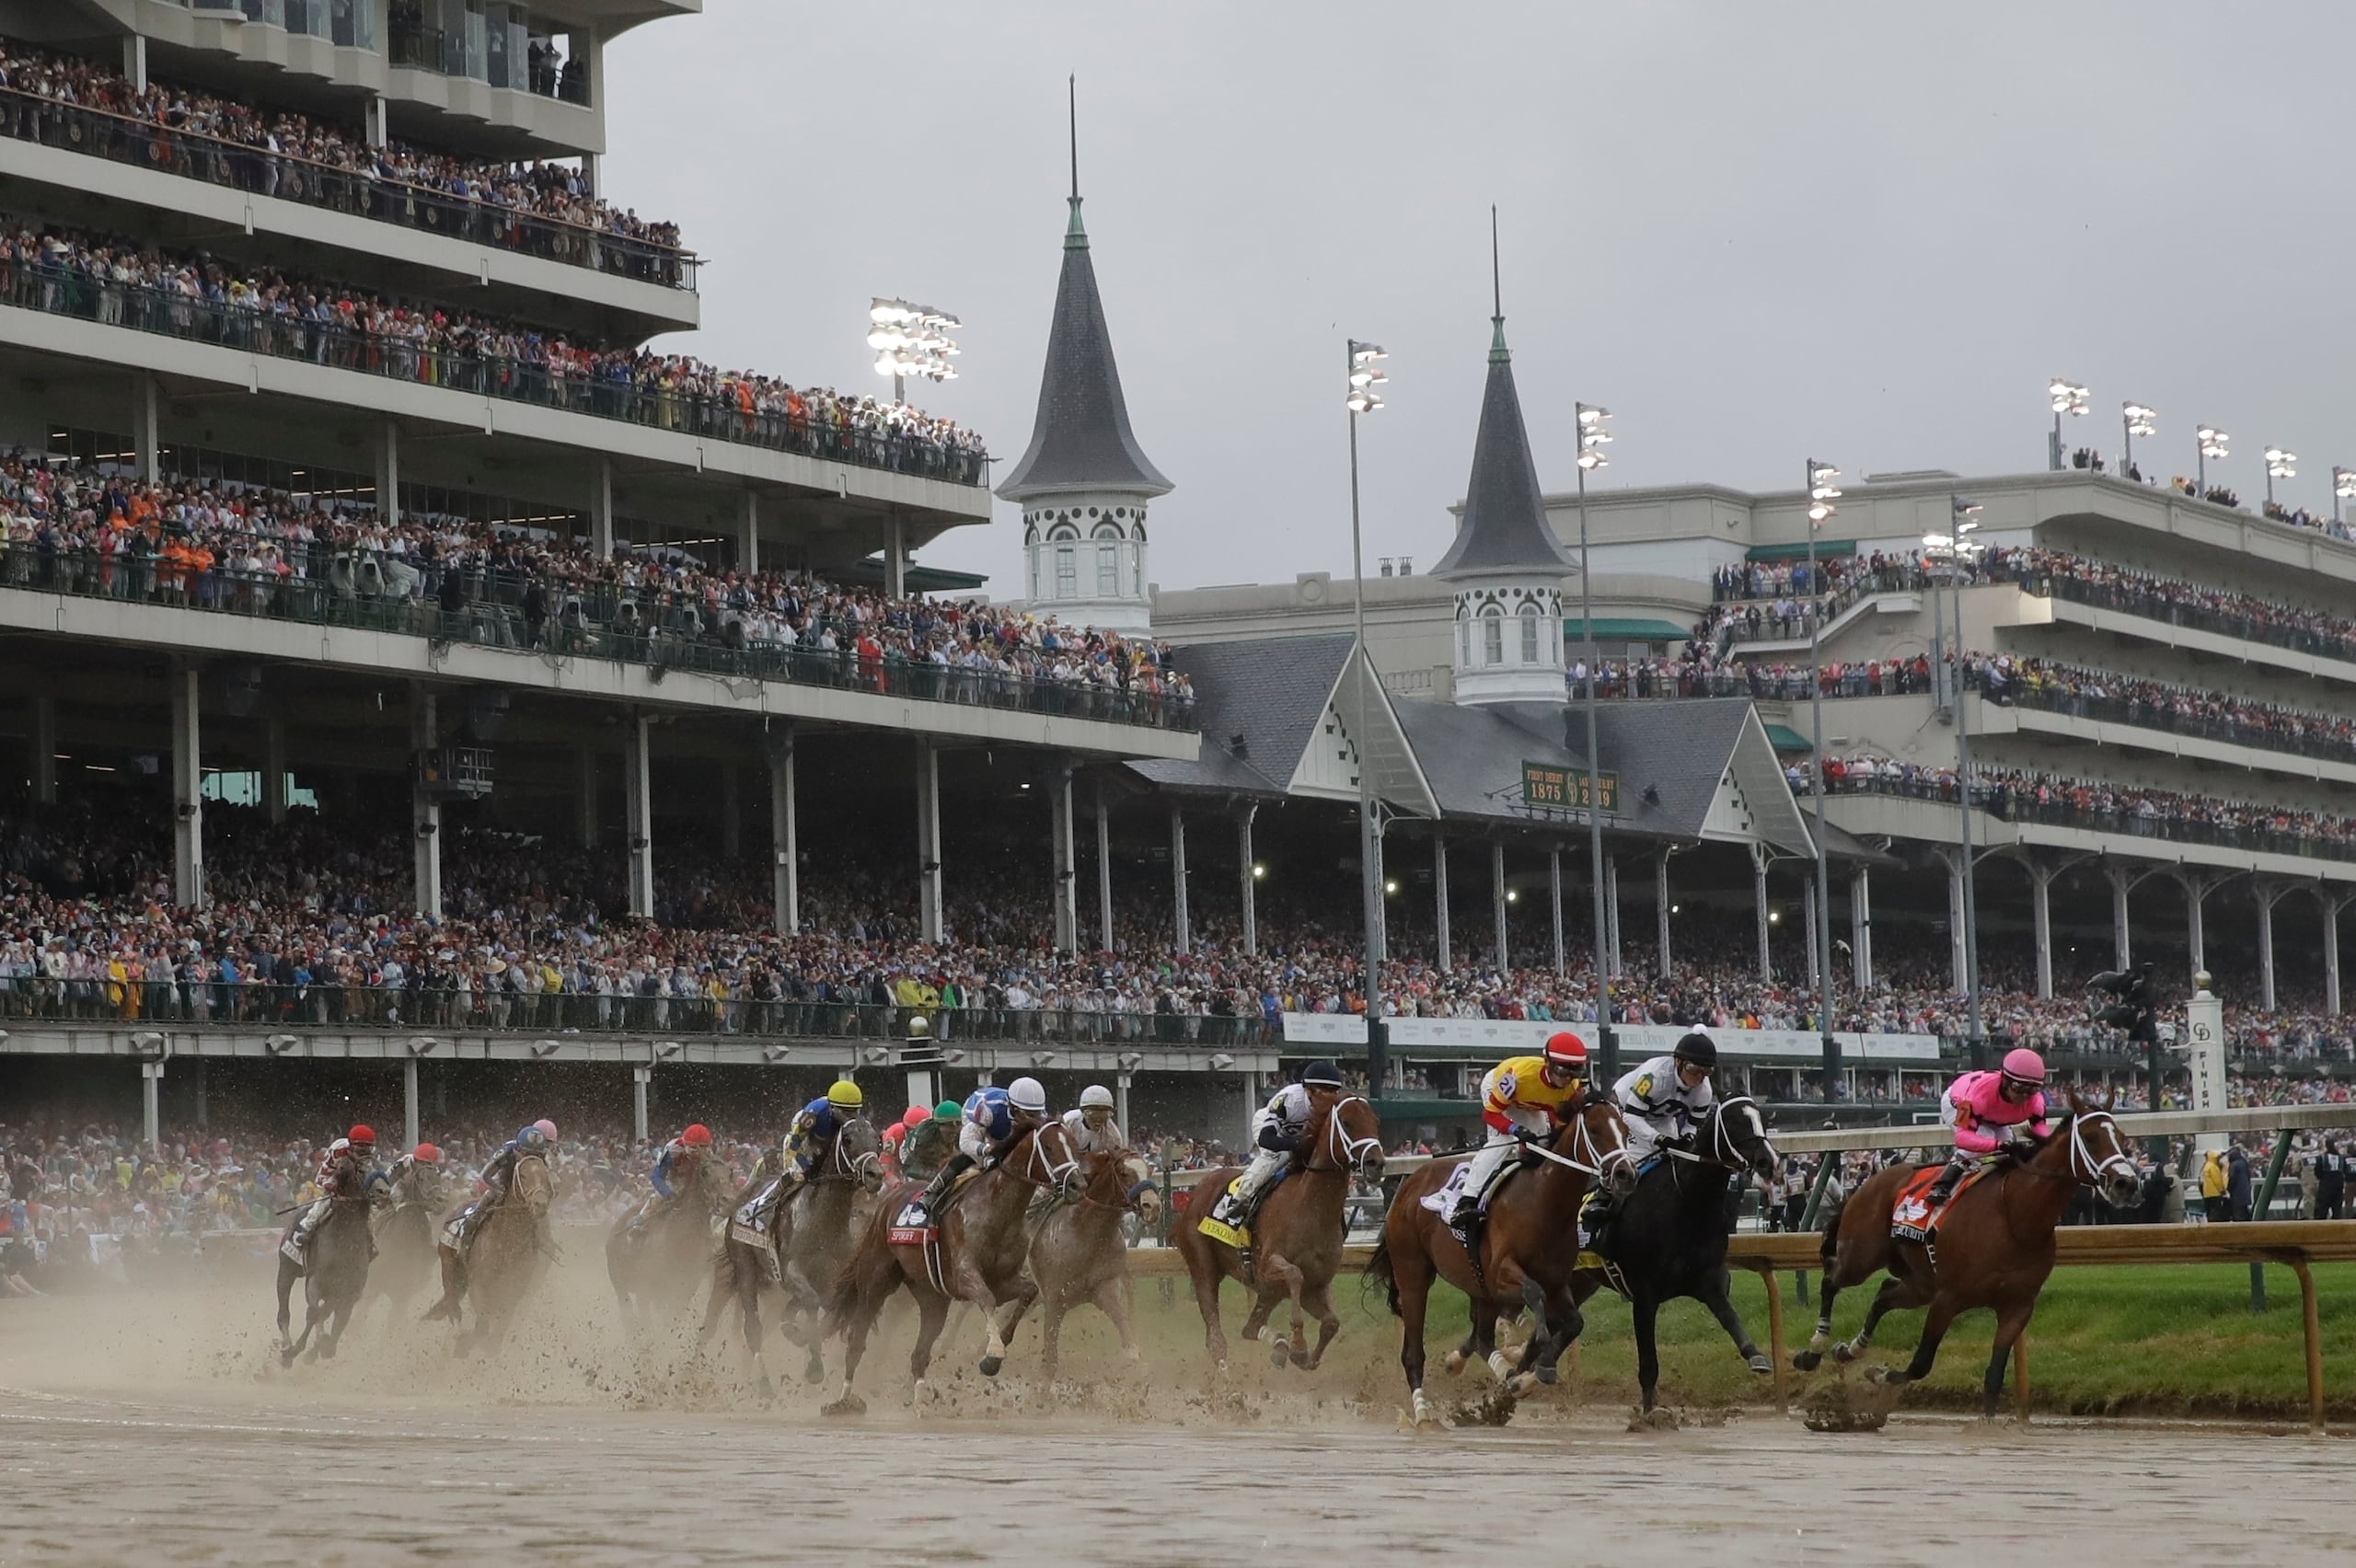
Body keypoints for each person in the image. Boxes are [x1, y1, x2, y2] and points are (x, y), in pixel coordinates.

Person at [1449, 1033, 1588, 1229]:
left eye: (1574, 1073)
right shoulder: (1518, 1076)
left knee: (1541, 1146)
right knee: (1502, 1142)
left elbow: (1561, 1123)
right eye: (1563, 1071)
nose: (1567, 1079)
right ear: (1547, 1062)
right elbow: (1490, 1114)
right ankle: (1466, 1201)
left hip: (1529, 1103)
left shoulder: (1572, 1088)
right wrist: (1516, 1130)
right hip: (1500, 1092)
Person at [1923, 1047, 2050, 1206]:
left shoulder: (2037, 1102)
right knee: (1987, 1139)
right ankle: (1941, 1186)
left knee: (2010, 1151)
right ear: (2005, 1080)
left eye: (2032, 1089)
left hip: (1994, 1116)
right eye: (2019, 1087)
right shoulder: (1975, 1097)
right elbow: (1962, 1138)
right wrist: (1997, 1145)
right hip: (1958, 1104)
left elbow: (2041, 1132)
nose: (2025, 1096)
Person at [1228, 1060, 1345, 1227]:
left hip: (1298, 1136)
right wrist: (1298, 1144)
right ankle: (1240, 1199)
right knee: (1275, 1156)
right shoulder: (1289, 1100)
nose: (1332, 1097)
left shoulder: (1334, 1108)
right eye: (1326, 1091)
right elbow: (1266, 1139)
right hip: (1269, 1127)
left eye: (1334, 1091)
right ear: (1309, 1091)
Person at [914, 1076, 1049, 1214]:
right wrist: (988, 1149)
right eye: (1027, 1114)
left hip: (1003, 1127)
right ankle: (931, 1194)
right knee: (982, 1160)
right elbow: (965, 1142)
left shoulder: (1041, 1116)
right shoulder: (988, 1109)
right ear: (1013, 1108)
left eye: (1035, 1114)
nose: (1031, 1120)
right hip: (977, 1119)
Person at [1613, 1030, 1719, 1162]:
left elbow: (1692, 1126)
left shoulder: (1705, 1092)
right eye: (1692, 1068)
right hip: (1624, 1110)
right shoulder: (1654, 1076)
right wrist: (1657, 1137)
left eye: (1707, 1071)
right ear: (1678, 1062)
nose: (1699, 1076)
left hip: (1662, 1118)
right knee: (1637, 1161)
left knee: (1674, 1161)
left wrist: (1687, 1138)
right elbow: (1631, 1116)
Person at [282, 1124, 378, 1263]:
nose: (363, 1151)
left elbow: (367, 1173)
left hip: (356, 1184)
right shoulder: (338, 1150)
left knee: (369, 1212)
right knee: (323, 1203)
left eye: (367, 1147)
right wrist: (330, 1186)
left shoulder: (370, 1154)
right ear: (351, 1145)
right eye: (360, 1147)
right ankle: (306, 1229)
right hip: (333, 1176)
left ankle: (371, 1241)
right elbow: (325, 1172)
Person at [901, 1100, 962, 1183]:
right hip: (915, 1164)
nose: (954, 1130)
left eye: (958, 1124)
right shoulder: (924, 1138)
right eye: (949, 1126)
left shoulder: (961, 1134)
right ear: (938, 1126)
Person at [1060, 1083, 1125, 1155]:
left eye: (1103, 1116)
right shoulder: (1069, 1122)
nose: (1098, 1121)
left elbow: (1117, 1158)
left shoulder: (1113, 1135)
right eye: (1093, 1116)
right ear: (1083, 1112)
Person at [383, 1142, 445, 1208]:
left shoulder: (434, 1170)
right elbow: (389, 1184)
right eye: (422, 1163)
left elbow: (437, 1188)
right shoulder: (402, 1165)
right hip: (399, 1195)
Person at [2319, 1138, 2347, 1222]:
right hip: (2338, 1181)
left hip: (2326, 1182)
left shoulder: (2323, 1157)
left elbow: (2318, 1170)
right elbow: (2344, 1169)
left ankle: (2321, 1224)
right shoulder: (2340, 1157)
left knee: (2323, 1205)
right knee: (2337, 1206)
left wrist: (2322, 1178)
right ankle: (2337, 1223)